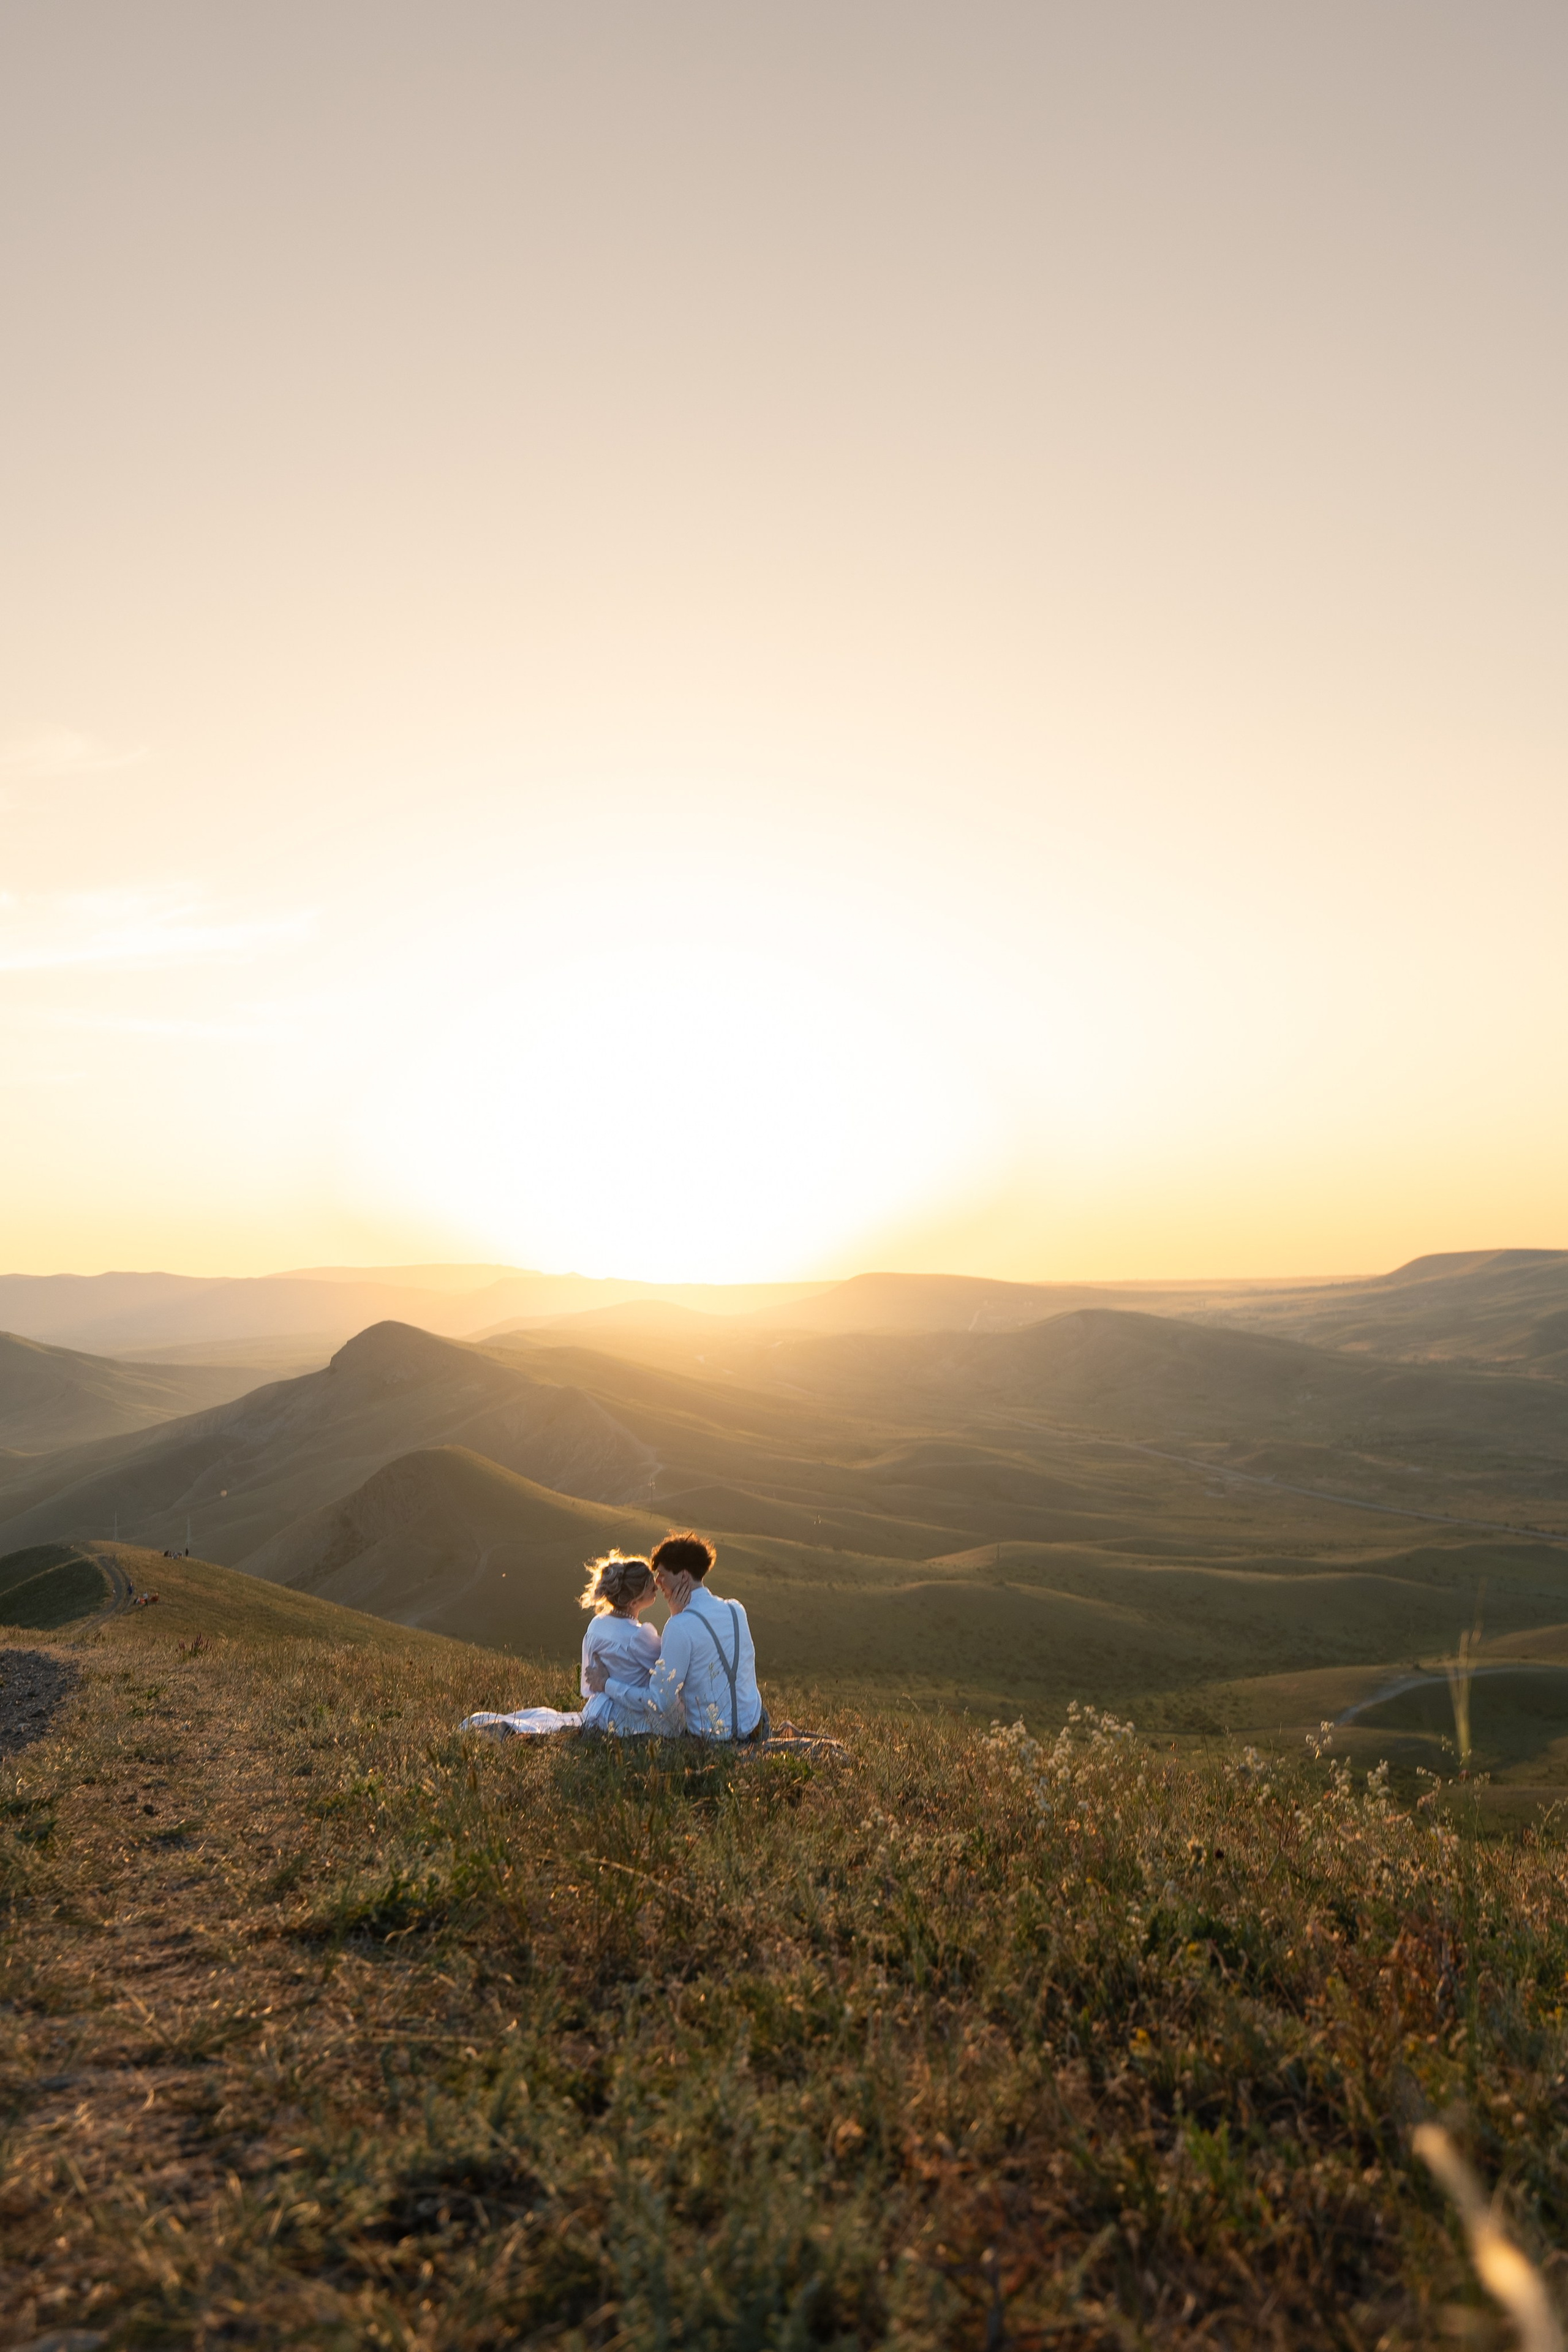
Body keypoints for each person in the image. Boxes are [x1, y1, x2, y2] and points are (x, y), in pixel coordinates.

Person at [586, 1530, 768, 1741]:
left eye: (662, 1574)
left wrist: (606, 1684)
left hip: (711, 1739)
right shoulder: (736, 1609)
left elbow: (659, 1701)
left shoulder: (679, 1626)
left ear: (683, 1576)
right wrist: (678, 1616)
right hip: (757, 1726)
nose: (657, 1582)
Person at [577, 1553, 672, 1736]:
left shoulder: (597, 1624)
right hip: (631, 1719)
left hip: (597, 1711)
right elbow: (669, 1670)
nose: (656, 1586)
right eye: (650, 1587)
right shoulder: (639, 1636)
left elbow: (589, 1683)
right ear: (633, 1602)